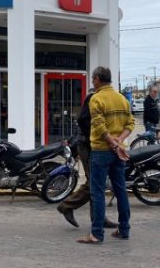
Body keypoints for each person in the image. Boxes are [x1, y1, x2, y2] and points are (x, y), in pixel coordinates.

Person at [78, 66, 135, 244]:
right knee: (120, 190)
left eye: (93, 79)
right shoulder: (122, 99)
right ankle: (124, 229)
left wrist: (112, 142)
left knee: (98, 192)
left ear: (96, 79)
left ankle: (96, 234)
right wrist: (119, 142)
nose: (92, 83)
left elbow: (99, 126)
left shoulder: (97, 99)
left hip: (102, 150)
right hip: (118, 152)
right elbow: (130, 123)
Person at [56, 89, 118, 230]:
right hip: (87, 145)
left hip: (91, 145)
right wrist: (94, 136)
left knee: (97, 182)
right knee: (94, 183)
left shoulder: (101, 97)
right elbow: (82, 119)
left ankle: (99, 218)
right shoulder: (93, 97)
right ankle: (66, 206)